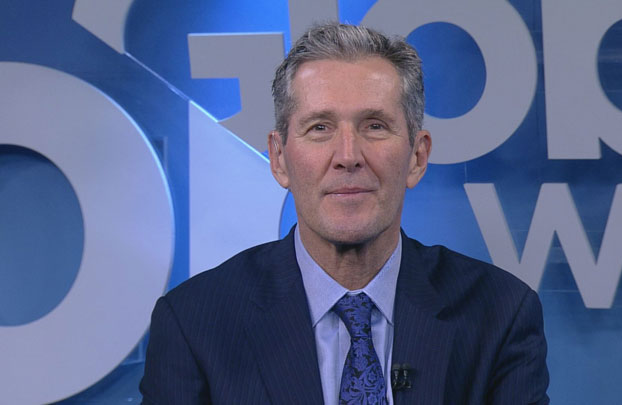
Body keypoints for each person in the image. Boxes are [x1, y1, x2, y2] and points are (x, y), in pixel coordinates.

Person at [140, 23, 549, 404]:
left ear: (417, 157)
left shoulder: (499, 315)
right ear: (279, 158)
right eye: (320, 127)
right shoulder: (194, 324)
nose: (348, 156)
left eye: (374, 126)